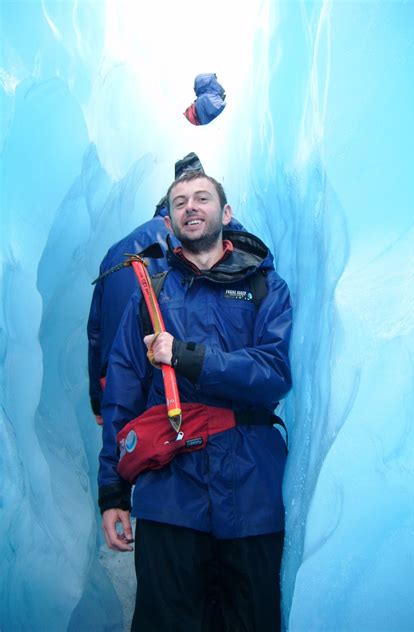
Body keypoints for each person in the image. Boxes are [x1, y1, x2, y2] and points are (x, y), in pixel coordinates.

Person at [98, 171, 292, 631]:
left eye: (202, 197)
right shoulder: (151, 295)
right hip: (169, 493)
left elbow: (274, 373)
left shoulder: (266, 288)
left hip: (251, 493)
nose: (191, 206)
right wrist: (112, 492)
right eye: (180, 201)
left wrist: (187, 357)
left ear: (225, 213)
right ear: (169, 222)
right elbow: (122, 397)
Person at [87, 153, 243, 424]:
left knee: (127, 456)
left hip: (122, 391)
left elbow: (97, 331)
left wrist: (99, 402)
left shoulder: (117, 251)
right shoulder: (204, 243)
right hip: (179, 394)